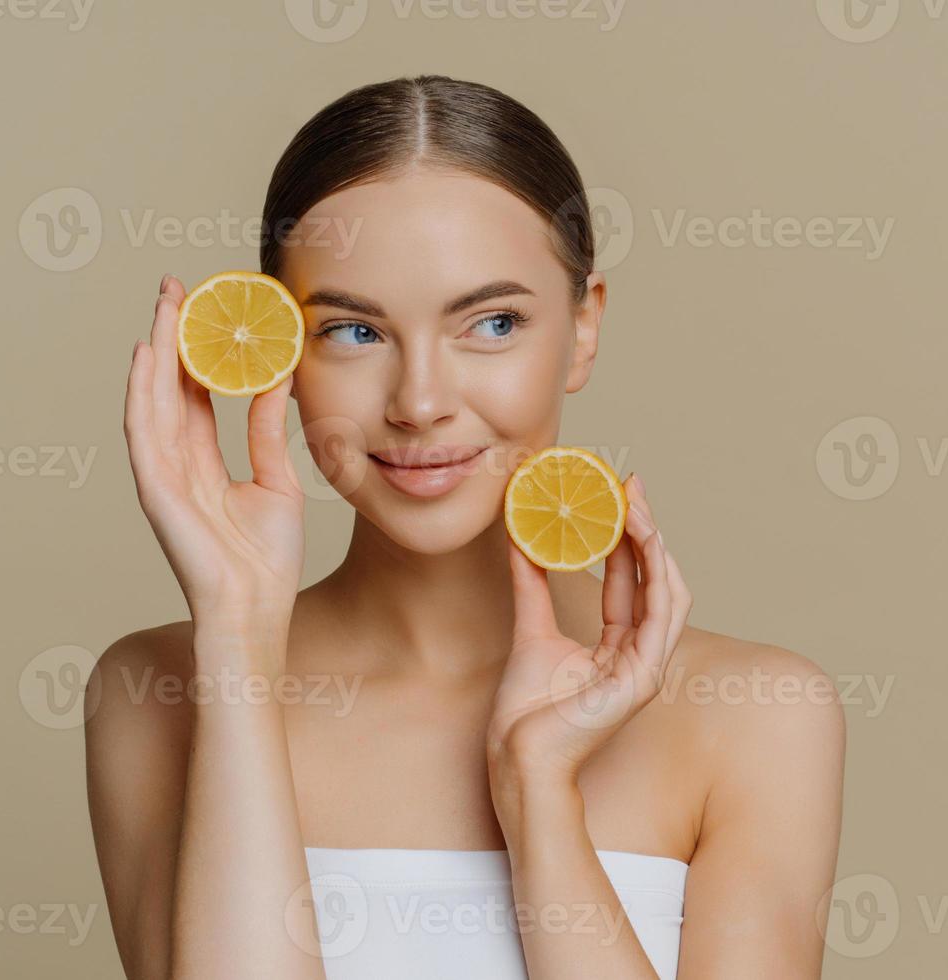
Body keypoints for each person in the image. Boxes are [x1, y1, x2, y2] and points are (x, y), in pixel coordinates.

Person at [87, 74, 845, 979]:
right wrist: (239, 640)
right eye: (353, 333)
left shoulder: (760, 717)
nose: (420, 403)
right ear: (280, 350)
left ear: (585, 327)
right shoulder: (153, 693)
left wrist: (539, 797)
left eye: (491, 323)